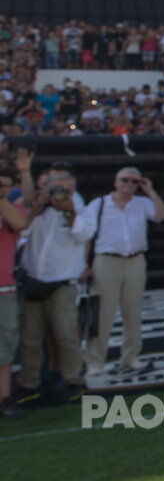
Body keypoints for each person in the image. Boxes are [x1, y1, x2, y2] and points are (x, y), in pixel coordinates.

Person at [80, 167, 164, 374]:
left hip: (135, 260)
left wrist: (150, 191)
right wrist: (85, 265)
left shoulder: (143, 203)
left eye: (134, 181)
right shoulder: (99, 204)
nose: (128, 184)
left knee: (133, 312)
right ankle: (95, 360)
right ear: (115, 181)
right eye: (125, 180)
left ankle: (130, 356)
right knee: (103, 313)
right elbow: (87, 237)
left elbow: (163, 215)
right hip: (107, 261)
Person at [13, 167, 87, 409]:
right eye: (58, 190)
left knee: (66, 336)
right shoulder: (40, 207)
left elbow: (83, 235)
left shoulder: (77, 206)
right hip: (34, 280)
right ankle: (28, 383)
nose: (62, 194)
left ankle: (74, 380)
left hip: (63, 282)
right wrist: (37, 206)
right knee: (30, 338)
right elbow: (21, 230)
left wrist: (68, 212)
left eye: (66, 190)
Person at [0, 165, 30, 416]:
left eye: (5, 185)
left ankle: (4, 398)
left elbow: (20, 222)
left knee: (6, 344)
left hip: (4, 288)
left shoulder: (12, 210)